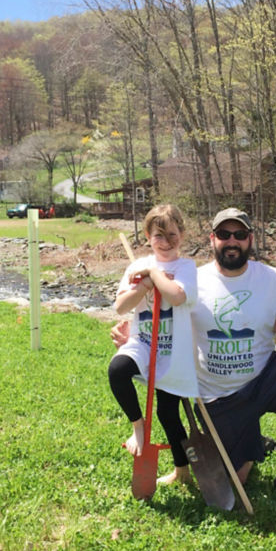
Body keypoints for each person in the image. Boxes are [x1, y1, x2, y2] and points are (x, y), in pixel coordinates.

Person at [113, 208, 276, 510]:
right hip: (219, 396)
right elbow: (162, 322)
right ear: (212, 240)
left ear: (250, 239)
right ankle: (253, 444)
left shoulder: (275, 280)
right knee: (237, 479)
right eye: (224, 234)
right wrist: (134, 336)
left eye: (239, 234)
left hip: (268, 376)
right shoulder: (192, 280)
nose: (231, 241)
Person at [108, 204, 198, 485]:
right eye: (159, 236)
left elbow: (177, 297)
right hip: (144, 344)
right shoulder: (136, 267)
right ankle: (138, 426)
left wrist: (154, 274)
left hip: (173, 351)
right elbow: (121, 306)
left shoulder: (186, 267)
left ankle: (182, 471)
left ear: (182, 234)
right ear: (148, 236)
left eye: (172, 235)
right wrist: (143, 285)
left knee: (168, 413)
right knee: (118, 369)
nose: (166, 242)